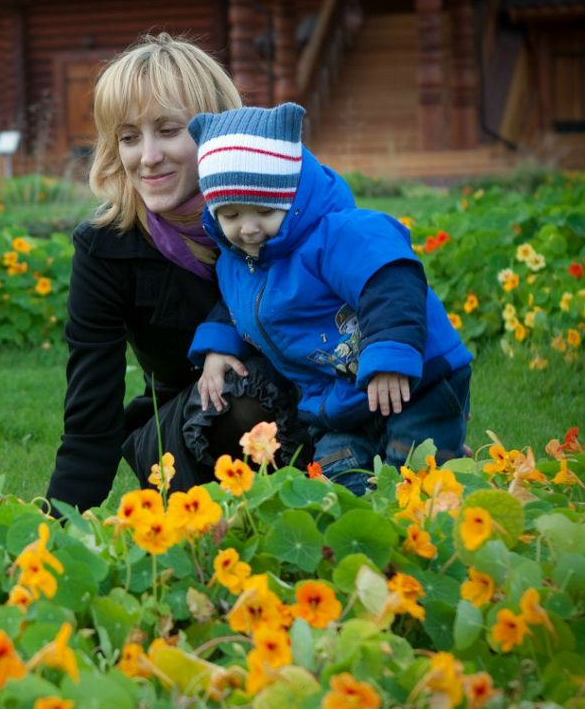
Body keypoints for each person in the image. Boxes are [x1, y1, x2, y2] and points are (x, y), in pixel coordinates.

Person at [46, 33, 310, 513]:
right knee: (240, 395)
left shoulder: (287, 214)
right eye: (128, 137)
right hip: (193, 427)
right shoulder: (107, 246)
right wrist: (55, 524)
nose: (147, 157)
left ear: (214, 128)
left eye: (168, 130)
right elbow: (92, 406)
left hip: (316, 400)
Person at [188, 103, 473, 494]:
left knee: (415, 474)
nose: (248, 228)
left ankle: (446, 484)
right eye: (231, 214)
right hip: (337, 402)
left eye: (264, 211)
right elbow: (240, 306)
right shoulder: (236, 263)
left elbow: (391, 282)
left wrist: (391, 353)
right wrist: (219, 346)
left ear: (292, 198)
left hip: (415, 378)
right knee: (337, 481)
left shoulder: (337, 235)